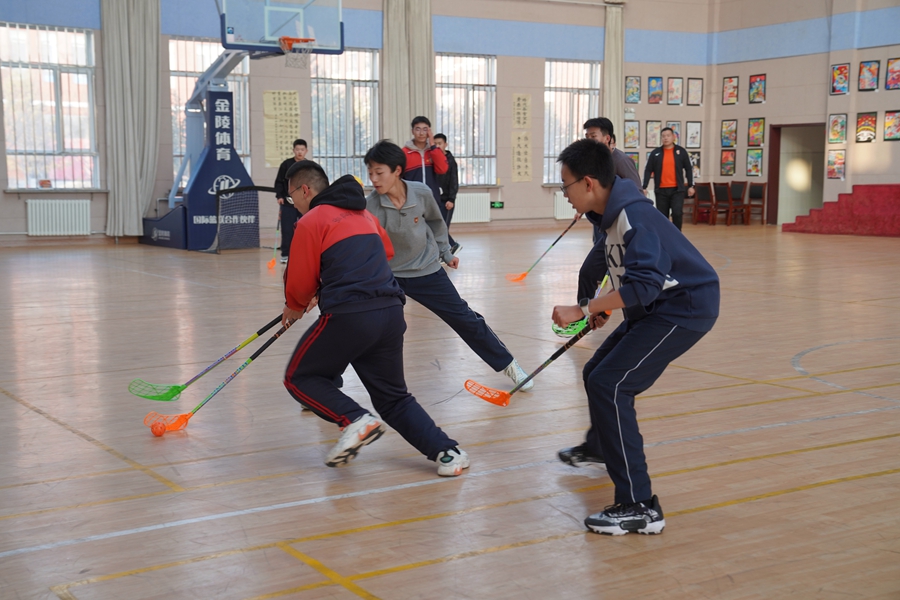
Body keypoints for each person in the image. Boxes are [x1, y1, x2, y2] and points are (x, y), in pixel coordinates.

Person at [552, 139, 719, 535]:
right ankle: (602, 450)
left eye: (566, 186)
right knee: (597, 373)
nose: (565, 194)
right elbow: (608, 268)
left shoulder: (633, 215)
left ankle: (639, 506)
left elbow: (645, 285)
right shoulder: (608, 216)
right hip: (656, 308)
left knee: (611, 385)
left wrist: (585, 310)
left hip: (684, 308)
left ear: (589, 183)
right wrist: (598, 303)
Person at [281, 161, 469, 477]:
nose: (293, 205)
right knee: (393, 397)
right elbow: (386, 252)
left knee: (299, 377)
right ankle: (448, 452)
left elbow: (299, 282)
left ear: (305, 190)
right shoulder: (364, 215)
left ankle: (355, 419)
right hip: (390, 311)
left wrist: (295, 304)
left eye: (291, 198)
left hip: (350, 315)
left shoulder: (312, 219)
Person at [364, 140, 533, 392]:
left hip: (426, 269)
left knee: (465, 318)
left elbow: (436, 222)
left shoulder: (420, 192)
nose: (374, 179)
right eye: (370, 173)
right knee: (360, 325)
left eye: (379, 172)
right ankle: (326, 382)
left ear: (397, 170)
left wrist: (445, 252)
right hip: (390, 277)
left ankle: (510, 365)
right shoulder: (372, 206)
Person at [554, 118, 642, 338]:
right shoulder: (596, 164)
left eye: (593, 137)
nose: (589, 142)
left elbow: (636, 193)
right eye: (587, 138)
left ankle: (587, 313)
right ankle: (584, 316)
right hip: (608, 228)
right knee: (592, 273)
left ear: (608, 138)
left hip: (622, 228)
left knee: (616, 276)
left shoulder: (619, 161)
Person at [402, 117, 455, 249]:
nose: (421, 133)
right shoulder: (404, 153)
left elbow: (443, 169)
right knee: (414, 231)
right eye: (418, 129)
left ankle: (436, 256)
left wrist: (432, 146)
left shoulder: (433, 151)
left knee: (434, 230)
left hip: (432, 199)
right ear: (412, 131)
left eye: (425, 129)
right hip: (412, 199)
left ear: (429, 132)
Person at [642, 127, 695, 231]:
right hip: (661, 191)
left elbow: (689, 169)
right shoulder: (655, 153)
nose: (665, 138)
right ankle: (664, 237)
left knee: (677, 213)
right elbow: (648, 170)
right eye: (663, 136)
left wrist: (691, 186)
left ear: (673, 137)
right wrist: (644, 186)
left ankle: (677, 235)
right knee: (662, 216)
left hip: (677, 190)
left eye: (668, 136)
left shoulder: (681, 151)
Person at [273, 139, 309, 263]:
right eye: (297, 150)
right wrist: (279, 196)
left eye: (302, 150)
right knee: (287, 229)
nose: (300, 152)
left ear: (306, 151)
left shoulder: (309, 166)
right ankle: (285, 255)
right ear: (294, 150)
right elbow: (278, 182)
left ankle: (306, 253)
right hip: (288, 203)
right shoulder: (286, 164)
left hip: (304, 203)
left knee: (307, 229)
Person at [434, 133, 461, 255]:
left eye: (440, 143)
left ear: (445, 144)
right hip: (436, 199)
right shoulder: (433, 159)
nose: (437, 146)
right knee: (437, 226)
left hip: (447, 200)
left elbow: (454, 181)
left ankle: (452, 246)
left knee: (442, 227)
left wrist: (451, 199)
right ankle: (447, 249)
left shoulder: (451, 161)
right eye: (435, 144)